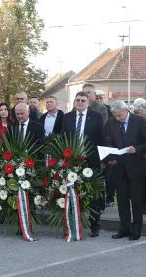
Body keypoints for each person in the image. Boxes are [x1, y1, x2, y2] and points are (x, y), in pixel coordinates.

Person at [106, 100, 146, 241]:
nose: (117, 118)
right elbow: (108, 142)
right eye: (115, 115)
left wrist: (137, 149)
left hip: (135, 166)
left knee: (136, 200)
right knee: (122, 200)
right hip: (119, 167)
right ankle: (124, 228)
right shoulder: (110, 123)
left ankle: (136, 229)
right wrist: (111, 157)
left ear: (127, 110)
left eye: (119, 115)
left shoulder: (139, 121)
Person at [61, 91, 105, 237]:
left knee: (93, 194)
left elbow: (101, 139)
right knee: (73, 192)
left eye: (83, 100)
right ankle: (73, 223)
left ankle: (94, 225)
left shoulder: (97, 117)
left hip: (91, 160)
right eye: (77, 100)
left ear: (88, 103)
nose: (80, 102)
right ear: (74, 102)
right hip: (72, 160)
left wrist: (102, 160)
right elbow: (63, 138)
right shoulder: (67, 117)